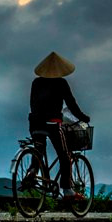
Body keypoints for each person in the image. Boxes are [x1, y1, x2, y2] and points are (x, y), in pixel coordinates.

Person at [27, 51, 90, 198]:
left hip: (35, 123)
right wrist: (83, 117)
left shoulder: (36, 82)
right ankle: (67, 190)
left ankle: (33, 171)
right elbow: (71, 104)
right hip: (52, 124)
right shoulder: (61, 83)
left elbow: (32, 103)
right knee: (64, 156)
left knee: (39, 149)